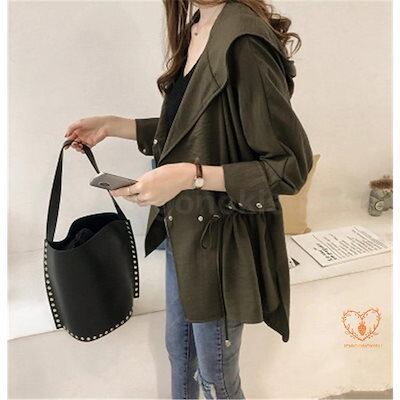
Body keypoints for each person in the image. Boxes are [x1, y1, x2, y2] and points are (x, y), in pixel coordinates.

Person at [64, 0, 314, 398]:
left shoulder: (244, 41)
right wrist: (113, 126)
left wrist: (189, 176)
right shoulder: (197, 25)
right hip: (183, 230)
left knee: (216, 377)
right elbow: (196, 127)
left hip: (220, 241)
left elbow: (289, 168)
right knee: (180, 355)